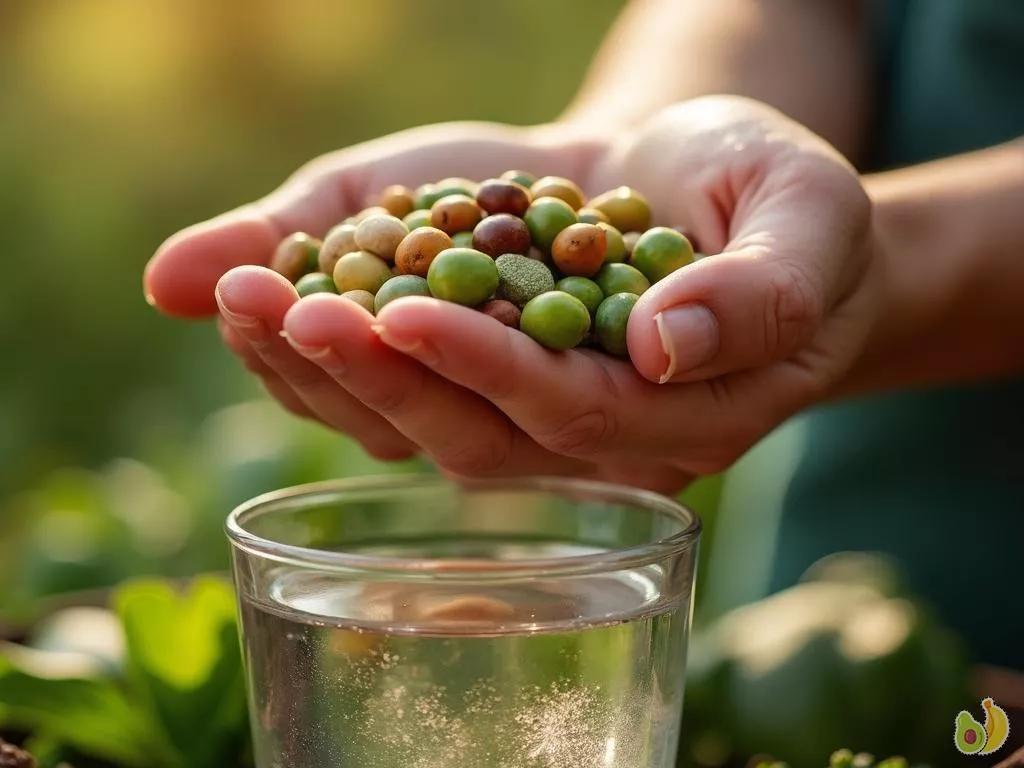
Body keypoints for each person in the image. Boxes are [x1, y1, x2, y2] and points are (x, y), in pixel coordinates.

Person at [143, 0, 1024, 669]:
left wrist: (892, 263)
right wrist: (649, 127)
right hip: (841, 611)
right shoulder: (522, 257)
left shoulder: (566, 277)